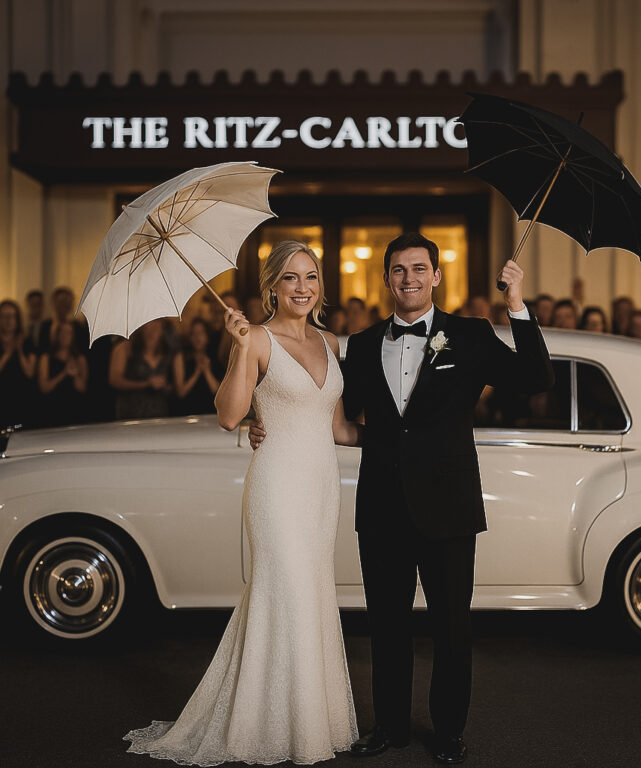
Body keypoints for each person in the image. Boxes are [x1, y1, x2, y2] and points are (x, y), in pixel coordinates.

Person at [252, 232, 554, 764]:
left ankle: (449, 732)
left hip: (450, 507)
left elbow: (535, 378)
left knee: (451, 628)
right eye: (399, 270)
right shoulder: (362, 345)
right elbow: (325, 412)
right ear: (387, 278)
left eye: (419, 269)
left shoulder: (471, 334)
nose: (410, 278)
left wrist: (515, 304)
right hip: (383, 507)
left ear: (436, 276)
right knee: (385, 627)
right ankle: (388, 726)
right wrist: (261, 424)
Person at [124, 241, 361, 765]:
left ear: (321, 285)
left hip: (321, 486)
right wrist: (238, 349)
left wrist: (408, 436)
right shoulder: (255, 337)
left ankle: (305, 724)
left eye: (311, 277)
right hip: (277, 484)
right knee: (288, 588)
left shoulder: (331, 343)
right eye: (291, 278)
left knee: (311, 592)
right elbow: (231, 417)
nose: (303, 287)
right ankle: (281, 730)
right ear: (272, 286)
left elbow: (340, 427)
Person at [109, 318, 173, 419]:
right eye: (150, 321)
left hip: (159, 415)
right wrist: (146, 384)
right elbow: (115, 380)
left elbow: (174, 387)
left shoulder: (166, 351)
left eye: (158, 322)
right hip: (131, 414)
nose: (154, 326)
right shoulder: (125, 348)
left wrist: (165, 386)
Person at [37, 321, 88, 426]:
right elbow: (44, 388)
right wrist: (64, 373)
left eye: (69, 333)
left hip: (74, 410)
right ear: (57, 335)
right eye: (62, 332)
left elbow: (82, 388)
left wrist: (75, 373)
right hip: (52, 410)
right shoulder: (46, 358)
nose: (65, 336)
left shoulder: (80, 358)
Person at [0, 299, 38, 429]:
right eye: (5, 316)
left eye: (12, 316)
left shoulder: (27, 342)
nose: (9, 320)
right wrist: (7, 354)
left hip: (21, 399)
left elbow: (30, 372)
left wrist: (20, 350)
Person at [172, 317, 222, 415]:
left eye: (201, 333)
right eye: (193, 334)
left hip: (211, 414)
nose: (197, 337)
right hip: (187, 413)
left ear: (207, 336)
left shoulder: (215, 357)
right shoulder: (181, 357)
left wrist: (207, 371)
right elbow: (181, 392)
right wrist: (197, 372)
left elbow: (219, 393)